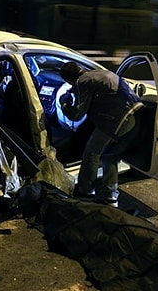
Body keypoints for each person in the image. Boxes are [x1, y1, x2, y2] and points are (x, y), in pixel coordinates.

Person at [59, 61, 143, 207]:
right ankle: (110, 195)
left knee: (92, 152)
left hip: (116, 119)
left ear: (68, 79)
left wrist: (64, 104)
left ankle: (85, 190)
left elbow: (77, 115)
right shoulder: (97, 73)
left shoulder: (82, 81)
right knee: (109, 154)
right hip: (134, 116)